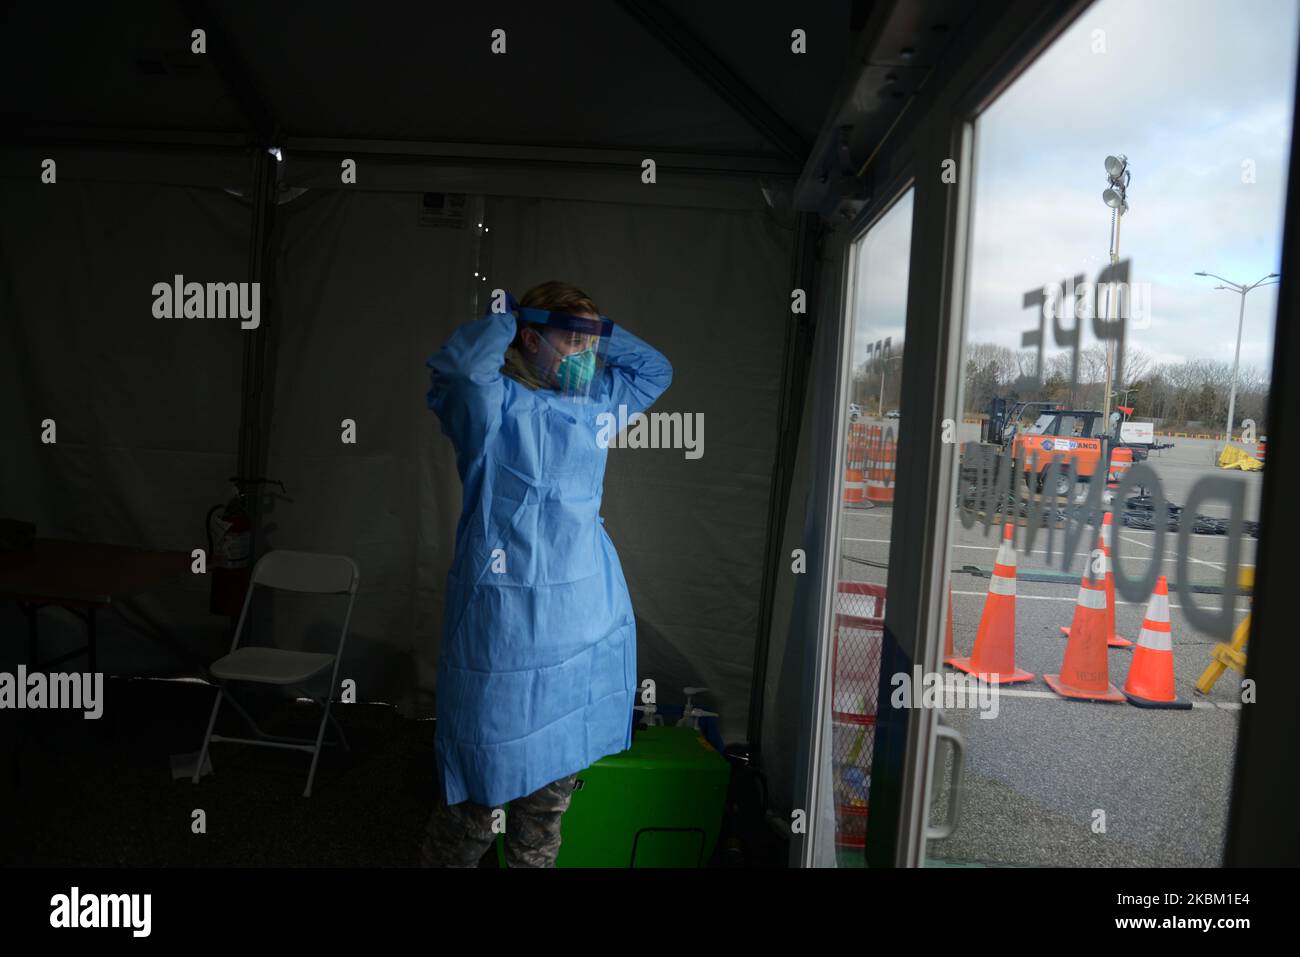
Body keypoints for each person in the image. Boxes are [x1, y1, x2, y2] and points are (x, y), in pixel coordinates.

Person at [419, 280, 672, 867]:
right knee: (475, 805)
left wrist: (594, 332)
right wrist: (508, 320)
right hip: (505, 630)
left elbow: (655, 370)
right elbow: (462, 371)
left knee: (545, 813)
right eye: (572, 341)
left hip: (579, 624)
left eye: (592, 343)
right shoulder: (493, 408)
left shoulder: (596, 405)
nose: (586, 356)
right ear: (531, 340)